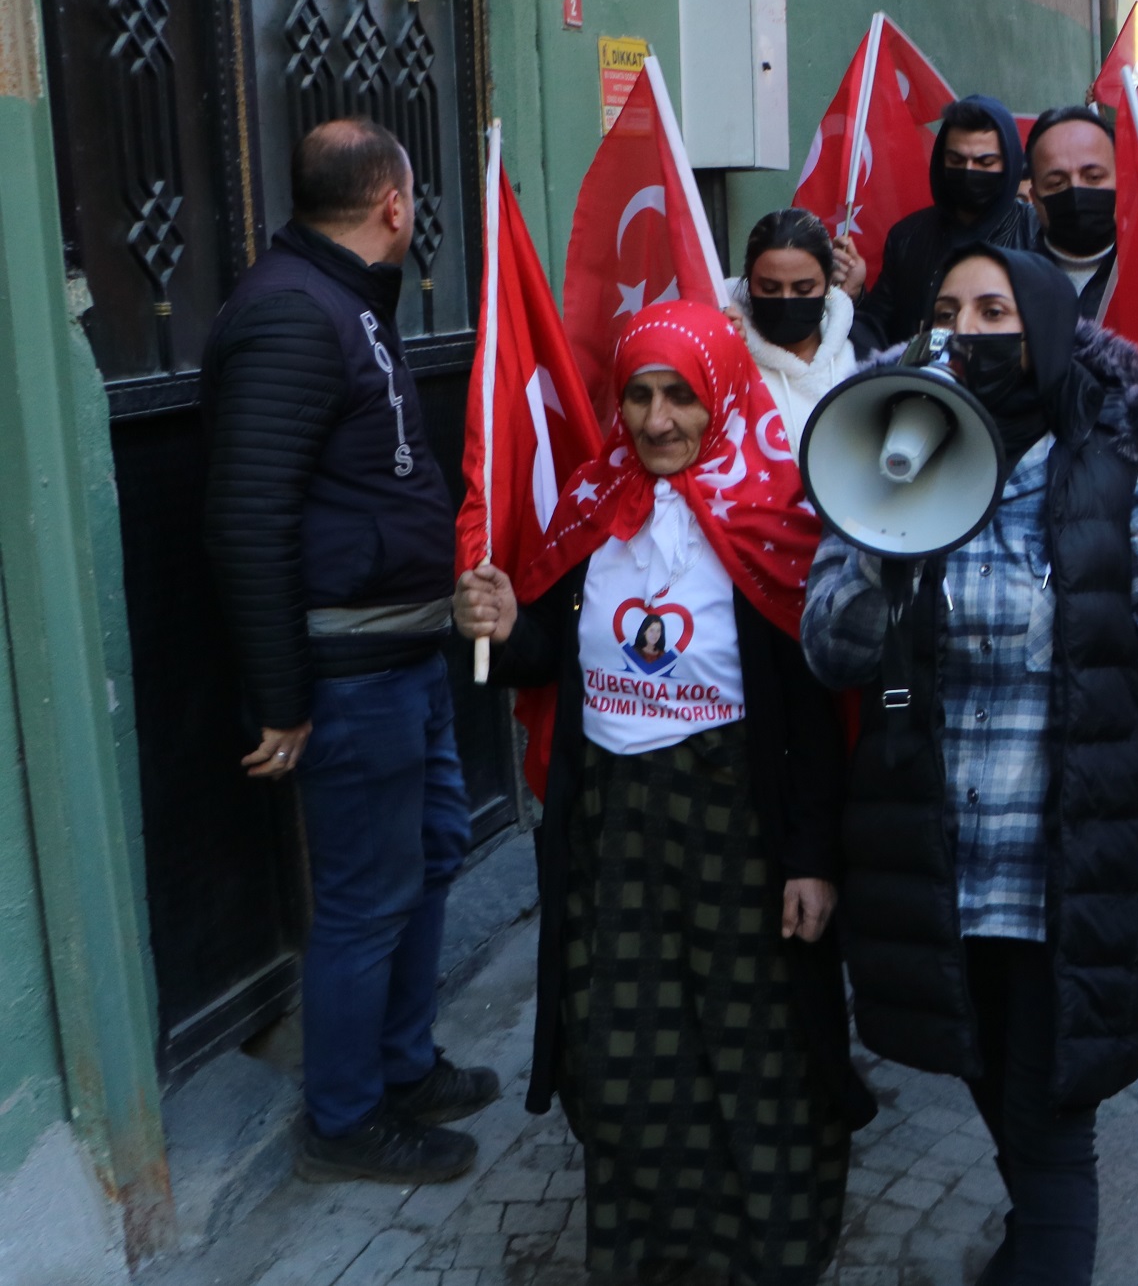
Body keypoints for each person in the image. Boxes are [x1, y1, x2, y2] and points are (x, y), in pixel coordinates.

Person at [803, 246, 1138, 1284]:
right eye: (949, 309)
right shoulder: (882, 459)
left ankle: (1044, 1247)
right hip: (936, 871)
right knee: (993, 1078)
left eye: (996, 309)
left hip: (1061, 876)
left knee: (1052, 1129)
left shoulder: (1113, 482)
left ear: (1045, 331)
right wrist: (881, 533)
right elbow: (831, 648)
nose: (970, 328)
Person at [454, 300, 849, 1286]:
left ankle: (768, 1251)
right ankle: (646, 1250)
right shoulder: (590, 507)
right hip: (614, 829)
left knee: (753, 1044)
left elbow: (815, 714)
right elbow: (547, 658)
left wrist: (812, 857)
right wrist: (503, 627)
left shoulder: (780, 515)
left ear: (722, 395)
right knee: (627, 1049)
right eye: (639, 396)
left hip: (739, 830)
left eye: (680, 395)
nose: (659, 419)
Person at [201, 118, 497, 1184]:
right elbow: (247, 518)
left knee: (432, 854)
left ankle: (403, 1067)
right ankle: (346, 1116)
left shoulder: (343, 299)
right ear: (394, 205)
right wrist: (284, 698)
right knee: (368, 898)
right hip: (349, 679)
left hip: (406, 658)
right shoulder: (292, 310)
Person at [851, 95, 1042, 351]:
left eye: (985, 162)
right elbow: (877, 334)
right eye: (956, 160)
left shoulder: (1037, 232)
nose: (969, 170)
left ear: (1009, 165)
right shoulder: (907, 237)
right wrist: (855, 296)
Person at [729, 207, 860, 433]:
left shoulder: (863, 348)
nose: (786, 300)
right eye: (769, 288)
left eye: (803, 289)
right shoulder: (727, 355)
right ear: (749, 284)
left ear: (827, 285)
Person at [1027, 104, 1122, 314]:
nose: (1076, 190)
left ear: (1121, 181)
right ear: (1034, 199)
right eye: (1056, 183)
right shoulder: (1008, 285)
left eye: (1093, 177)